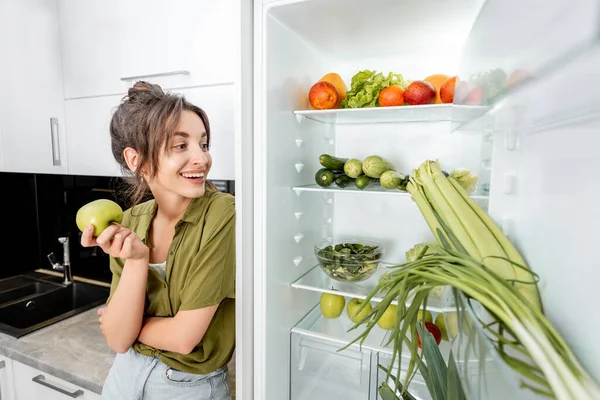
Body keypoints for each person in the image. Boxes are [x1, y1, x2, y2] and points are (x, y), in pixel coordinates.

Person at [80, 81, 235, 400]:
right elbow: (118, 343)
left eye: (203, 145)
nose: (202, 158)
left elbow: (183, 338)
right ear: (137, 160)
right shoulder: (131, 220)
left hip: (188, 386)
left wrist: (123, 323)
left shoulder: (223, 214)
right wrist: (137, 260)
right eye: (181, 146)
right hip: (123, 378)